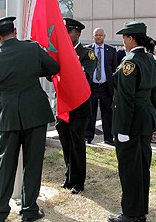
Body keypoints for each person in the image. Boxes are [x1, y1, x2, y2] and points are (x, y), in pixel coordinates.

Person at [0, 16, 59, 222]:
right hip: (35, 113)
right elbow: (53, 68)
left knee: (5, 165)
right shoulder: (33, 49)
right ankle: (29, 210)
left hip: (9, 115)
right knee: (33, 163)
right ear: (15, 31)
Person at [108, 21, 156, 222]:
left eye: (124, 38)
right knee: (142, 167)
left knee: (130, 169)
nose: (123, 42)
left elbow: (125, 98)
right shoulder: (151, 60)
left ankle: (130, 213)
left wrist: (122, 128)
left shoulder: (130, 62)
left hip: (130, 122)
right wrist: (151, 116)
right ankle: (140, 211)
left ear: (131, 38)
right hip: (145, 118)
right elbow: (153, 94)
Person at [56, 17, 96, 195]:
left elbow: (85, 76)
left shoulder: (88, 53)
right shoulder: (59, 52)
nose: (64, 35)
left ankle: (79, 181)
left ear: (77, 33)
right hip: (63, 106)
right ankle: (69, 177)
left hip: (79, 108)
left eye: (68, 32)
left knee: (77, 144)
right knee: (65, 142)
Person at [86, 28, 118, 145]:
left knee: (108, 113)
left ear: (104, 36)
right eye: (96, 35)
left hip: (106, 87)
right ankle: (88, 137)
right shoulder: (87, 50)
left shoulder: (111, 50)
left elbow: (114, 69)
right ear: (93, 36)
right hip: (92, 87)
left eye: (100, 35)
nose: (98, 37)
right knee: (91, 112)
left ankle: (108, 138)